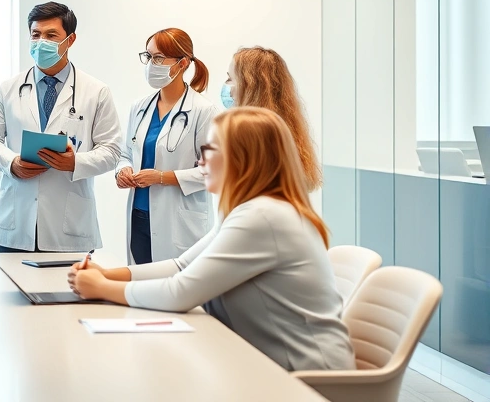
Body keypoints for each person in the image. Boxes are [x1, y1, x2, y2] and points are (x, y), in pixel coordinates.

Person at [68, 107, 354, 372]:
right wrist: (108, 275)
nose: (200, 160)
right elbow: (181, 266)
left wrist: (103, 288)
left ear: (242, 157)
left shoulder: (263, 217)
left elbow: (181, 292)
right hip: (273, 365)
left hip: (309, 381)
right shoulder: (249, 210)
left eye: (209, 149)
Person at [0, 2, 122, 252]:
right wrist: (11, 163)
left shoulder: (96, 91)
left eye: (51, 35)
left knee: (69, 292)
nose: (41, 41)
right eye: (36, 35)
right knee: (14, 289)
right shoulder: (9, 88)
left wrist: (75, 163)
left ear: (70, 39)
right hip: (17, 222)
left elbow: (111, 151)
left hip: (69, 226)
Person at [116, 28, 218, 264]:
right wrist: (122, 170)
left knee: (174, 290)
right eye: (148, 56)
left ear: (182, 64)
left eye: (159, 58)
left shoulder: (204, 111)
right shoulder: (139, 107)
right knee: (140, 287)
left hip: (179, 221)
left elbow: (214, 172)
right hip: (139, 216)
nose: (151, 64)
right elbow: (126, 152)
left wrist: (162, 177)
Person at [223, 46, 322, 191]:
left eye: (231, 79)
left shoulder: (254, 137)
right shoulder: (286, 132)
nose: (227, 88)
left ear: (250, 86)